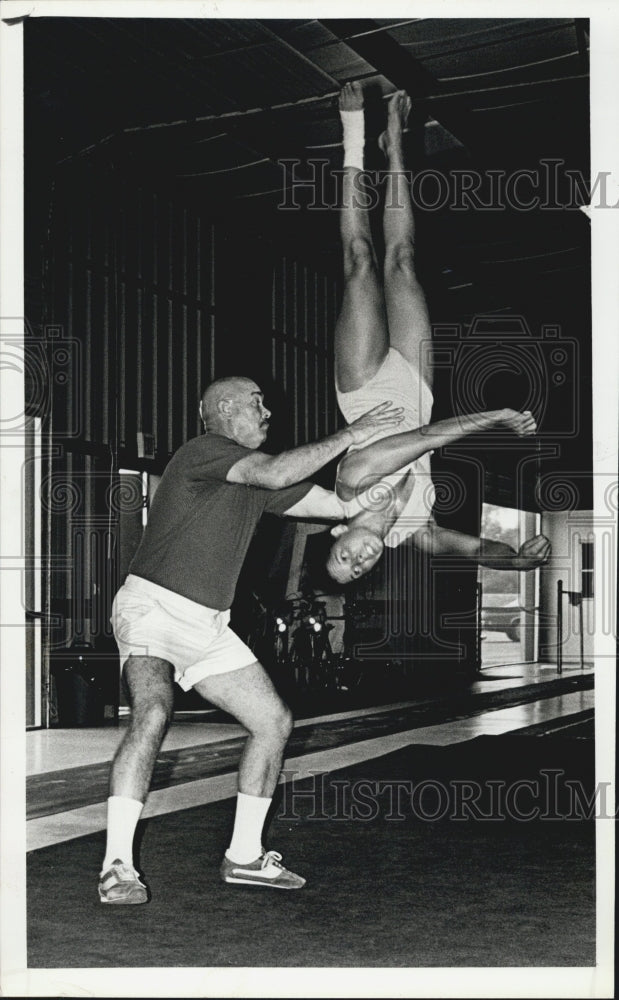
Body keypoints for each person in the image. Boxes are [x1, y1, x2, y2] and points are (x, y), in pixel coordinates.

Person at [100, 376, 404, 903]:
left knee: (273, 722)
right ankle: (117, 866)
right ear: (224, 409)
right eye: (257, 402)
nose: (268, 411)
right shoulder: (204, 452)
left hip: (208, 625)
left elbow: (338, 508)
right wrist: (352, 434)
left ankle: (243, 856)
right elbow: (282, 469)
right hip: (153, 607)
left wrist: (393, 491)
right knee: (152, 711)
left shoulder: (256, 484)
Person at [326, 83, 551, 584]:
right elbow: (471, 548)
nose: (359, 560)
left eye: (345, 559)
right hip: (416, 388)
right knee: (403, 263)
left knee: (361, 264)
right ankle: (395, 141)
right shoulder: (413, 532)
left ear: (337, 537)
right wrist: (515, 559)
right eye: (361, 571)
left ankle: (353, 134)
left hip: (366, 387)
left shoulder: (349, 484)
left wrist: (496, 416)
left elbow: (428, 437)